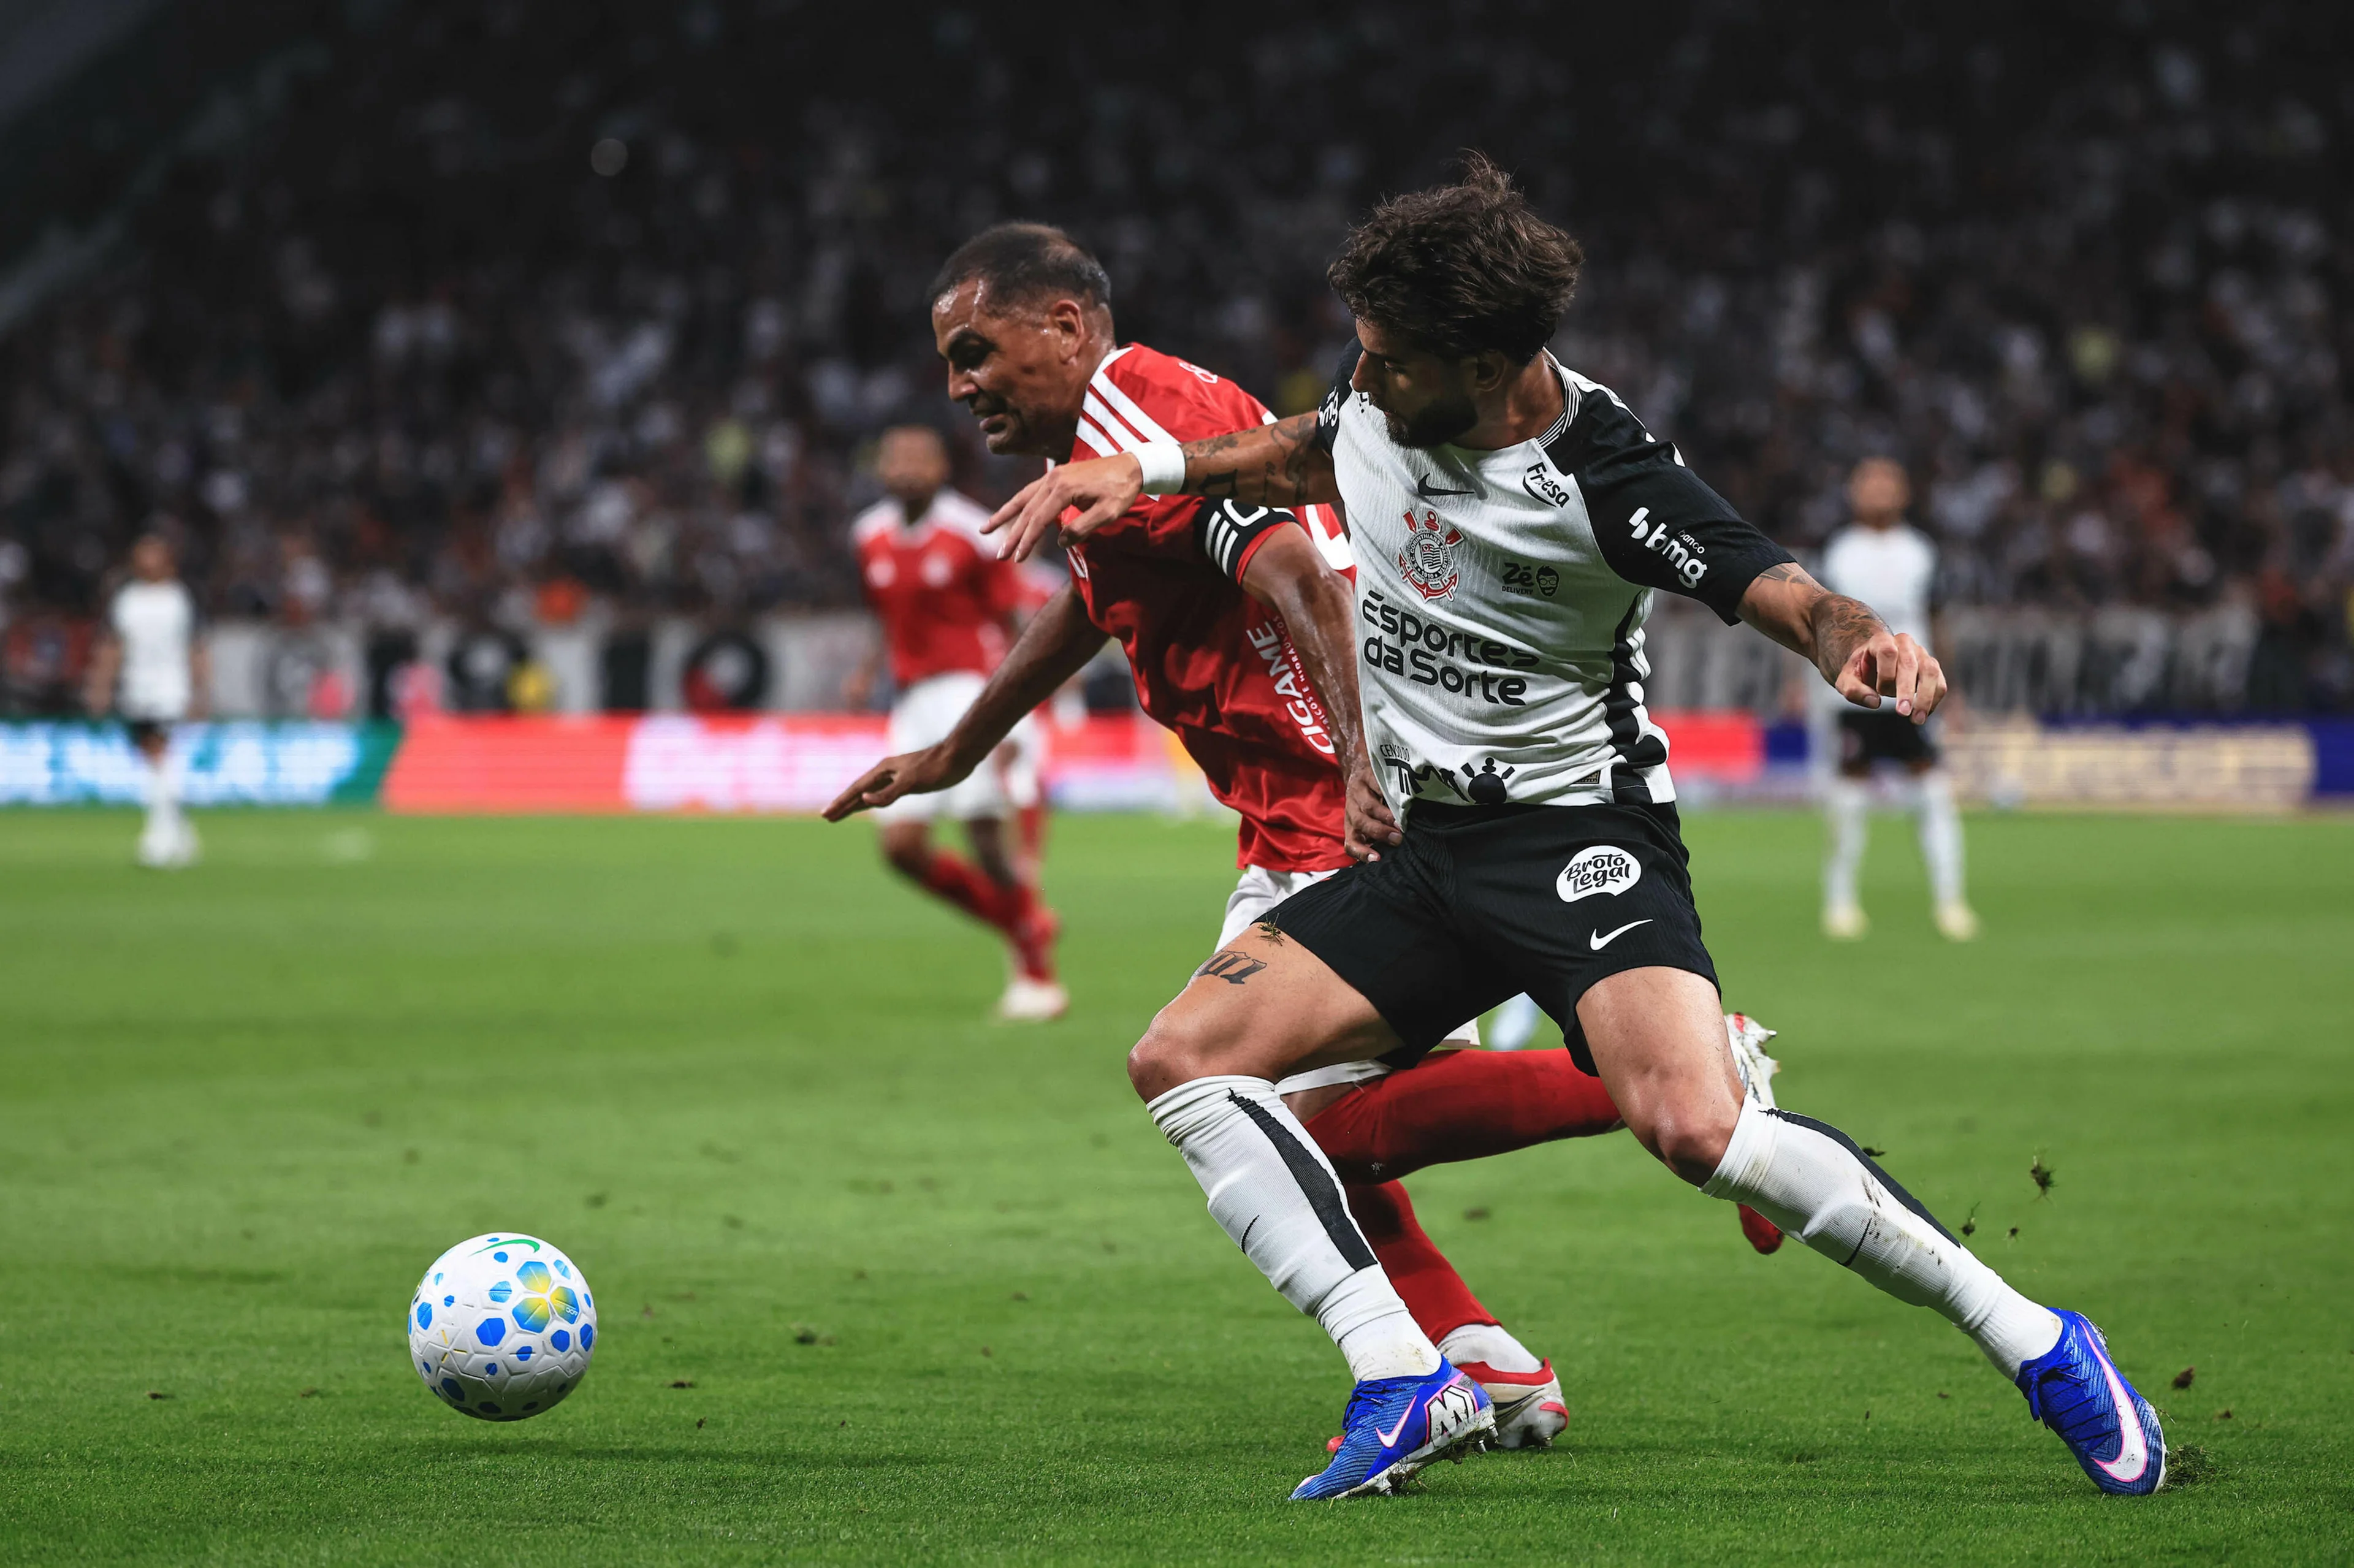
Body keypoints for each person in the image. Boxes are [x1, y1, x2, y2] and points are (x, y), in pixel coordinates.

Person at [989, 158, 2165, 1501]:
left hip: (1578, 843)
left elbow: (1770, 581)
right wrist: (1142, 466)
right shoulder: (1393, 388)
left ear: (1492, 361)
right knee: (1186, 1060)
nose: (1368, 381)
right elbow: (1317, 438)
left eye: (1394, 363)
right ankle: (1406, 1373)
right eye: (1362, 354)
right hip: (1426, 858)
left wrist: (1857, 641)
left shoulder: (1606, 471)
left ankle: (2040, 1340)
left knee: (1696, 1134)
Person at [826, 223, 1788, 1458]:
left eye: (978, 352)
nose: (960, 385)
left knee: (1271, 1102)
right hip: (1283, 802)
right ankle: (1484, 1361)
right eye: (948, 363)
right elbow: (1097, 593)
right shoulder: (1111, 439)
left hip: (1331, 797)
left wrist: (1358, 764)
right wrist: (958, 750)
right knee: (1287, 1114)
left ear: (1064, 326)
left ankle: (1672, 1079)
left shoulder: (1143, 413)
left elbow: (1296, 573)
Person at [845, 425, 1062, 1021]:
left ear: (942, 466)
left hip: (970, 690)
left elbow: (1014, 615)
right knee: (901, 847)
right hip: (911, 700)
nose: (907, 466)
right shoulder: (868, 535)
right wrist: (868, 670)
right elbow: (882, 615)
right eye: (896, 455)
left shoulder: (970, 530)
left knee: (986, 839)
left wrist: (1030, 695)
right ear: (880, 466)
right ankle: (1026, 922)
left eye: (920, 455)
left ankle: (1038, 976)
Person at [1818, 457, 1976, 942]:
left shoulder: (1920, 552)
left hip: (1913, 688)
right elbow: (1814, 619)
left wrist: (1956, 688)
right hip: (1855, 691)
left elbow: (1938, 621)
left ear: (1904, 493)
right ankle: (1840, 902)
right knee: (1849, 793)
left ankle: (1951, 902)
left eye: (1888, 482)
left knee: (1931, 790)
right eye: (1868, 481)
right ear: (1852, 492)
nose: (1878, 490)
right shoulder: (1838, 551)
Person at [84, 533, 205, 868]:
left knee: (159, 753)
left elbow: (197, 647)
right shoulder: (127, 600)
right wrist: (101, 686)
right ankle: (182, 832)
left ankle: (159, 835)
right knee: (152, 758)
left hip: (170, 689)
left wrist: (201, 691)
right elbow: (112, 645)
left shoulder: (180, 598)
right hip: (136, 689)